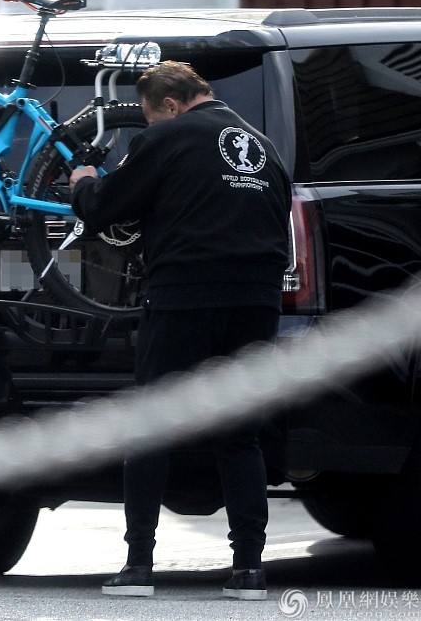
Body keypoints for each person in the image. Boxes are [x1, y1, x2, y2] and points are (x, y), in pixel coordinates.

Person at [69, 61, 291, 600]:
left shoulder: (168, 136)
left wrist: (84, 181)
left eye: (150, 117)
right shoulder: (265, 149)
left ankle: (138, 567)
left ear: (169, 105)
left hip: (186, 295)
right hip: (257, 300)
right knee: (240, 436)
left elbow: (103, 209)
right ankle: (249, 570)